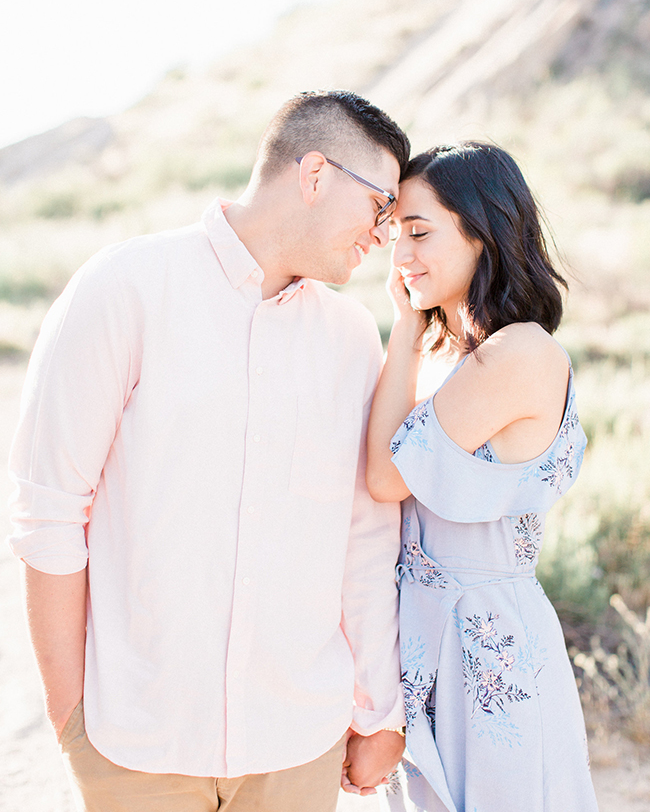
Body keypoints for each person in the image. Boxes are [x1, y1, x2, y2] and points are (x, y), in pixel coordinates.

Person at [7, 90, 410, 812]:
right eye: (380, 206)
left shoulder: (351, 338)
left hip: (298, 744)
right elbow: (50, 514)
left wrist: (380, 710)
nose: (383, 234)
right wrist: (70, 717)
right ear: (315, 174)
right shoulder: (124, 288)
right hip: (137, 744)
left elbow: (365, 537)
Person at [366, 142, 599, 811]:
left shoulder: (519, 351)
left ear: (482, 232)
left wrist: (404, 327)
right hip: (426, 640)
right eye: (394, 234)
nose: (401, 254)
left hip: (487, 642)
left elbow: (385, 477)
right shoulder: (451, 358)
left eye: (419, 232)